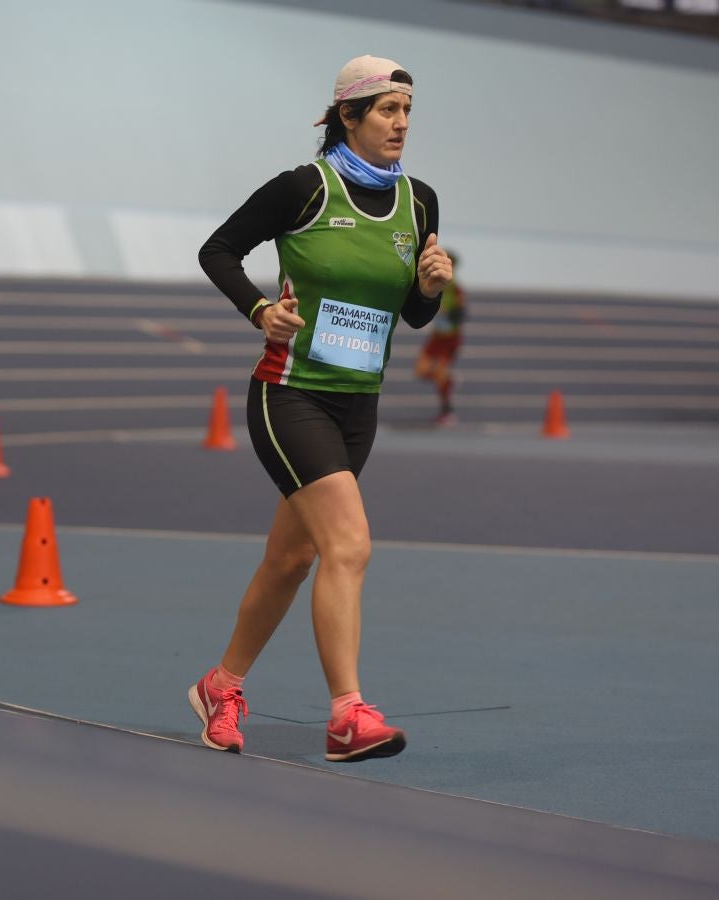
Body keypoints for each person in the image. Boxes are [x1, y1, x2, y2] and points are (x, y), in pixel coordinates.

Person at [192, 55, 453, 762]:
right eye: (387, 110)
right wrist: (258, 311)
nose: (401, 124)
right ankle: (347, 716)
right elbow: (216, 250)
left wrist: (431, 286)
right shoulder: (303, 189)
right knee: (349, 544)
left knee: (290, 559)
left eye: (407, 112)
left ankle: (221, 685)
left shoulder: (420, 201)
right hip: (289, 393)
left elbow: (415, 316)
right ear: (349, 116)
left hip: (355, 407)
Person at [413, 250, 467, 425]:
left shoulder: (455, 288)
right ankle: (448, 380)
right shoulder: (432, 282)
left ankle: (447, 411)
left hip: (449, 338)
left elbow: (460, 314)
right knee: (421, 370)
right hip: (436, 337)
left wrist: (445, 317)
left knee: (440, 374)